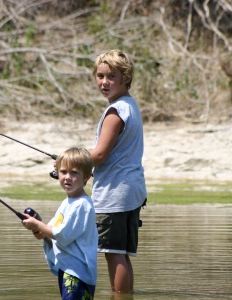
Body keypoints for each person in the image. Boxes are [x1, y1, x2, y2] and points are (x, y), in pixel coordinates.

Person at [89, 49, 147, 294]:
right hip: (131, 192)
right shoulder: (129, 105)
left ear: (126, 78)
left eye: (111, 76)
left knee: (113, 255)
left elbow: (100, 154)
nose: (104, 82)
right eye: (100, 76)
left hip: (114, 194)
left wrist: (68, 160)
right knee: (122, 254)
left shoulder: (115, 112)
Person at [22, 147, 97, 300]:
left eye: (74, 172)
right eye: (63, 172)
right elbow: (50, 231)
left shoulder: (81, 204)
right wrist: (39, 231)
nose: (67, 177)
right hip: (67, 268)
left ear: (87, 177)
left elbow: (61, 234)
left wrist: (37, 225)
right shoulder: (68, 202)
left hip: (77, 273)